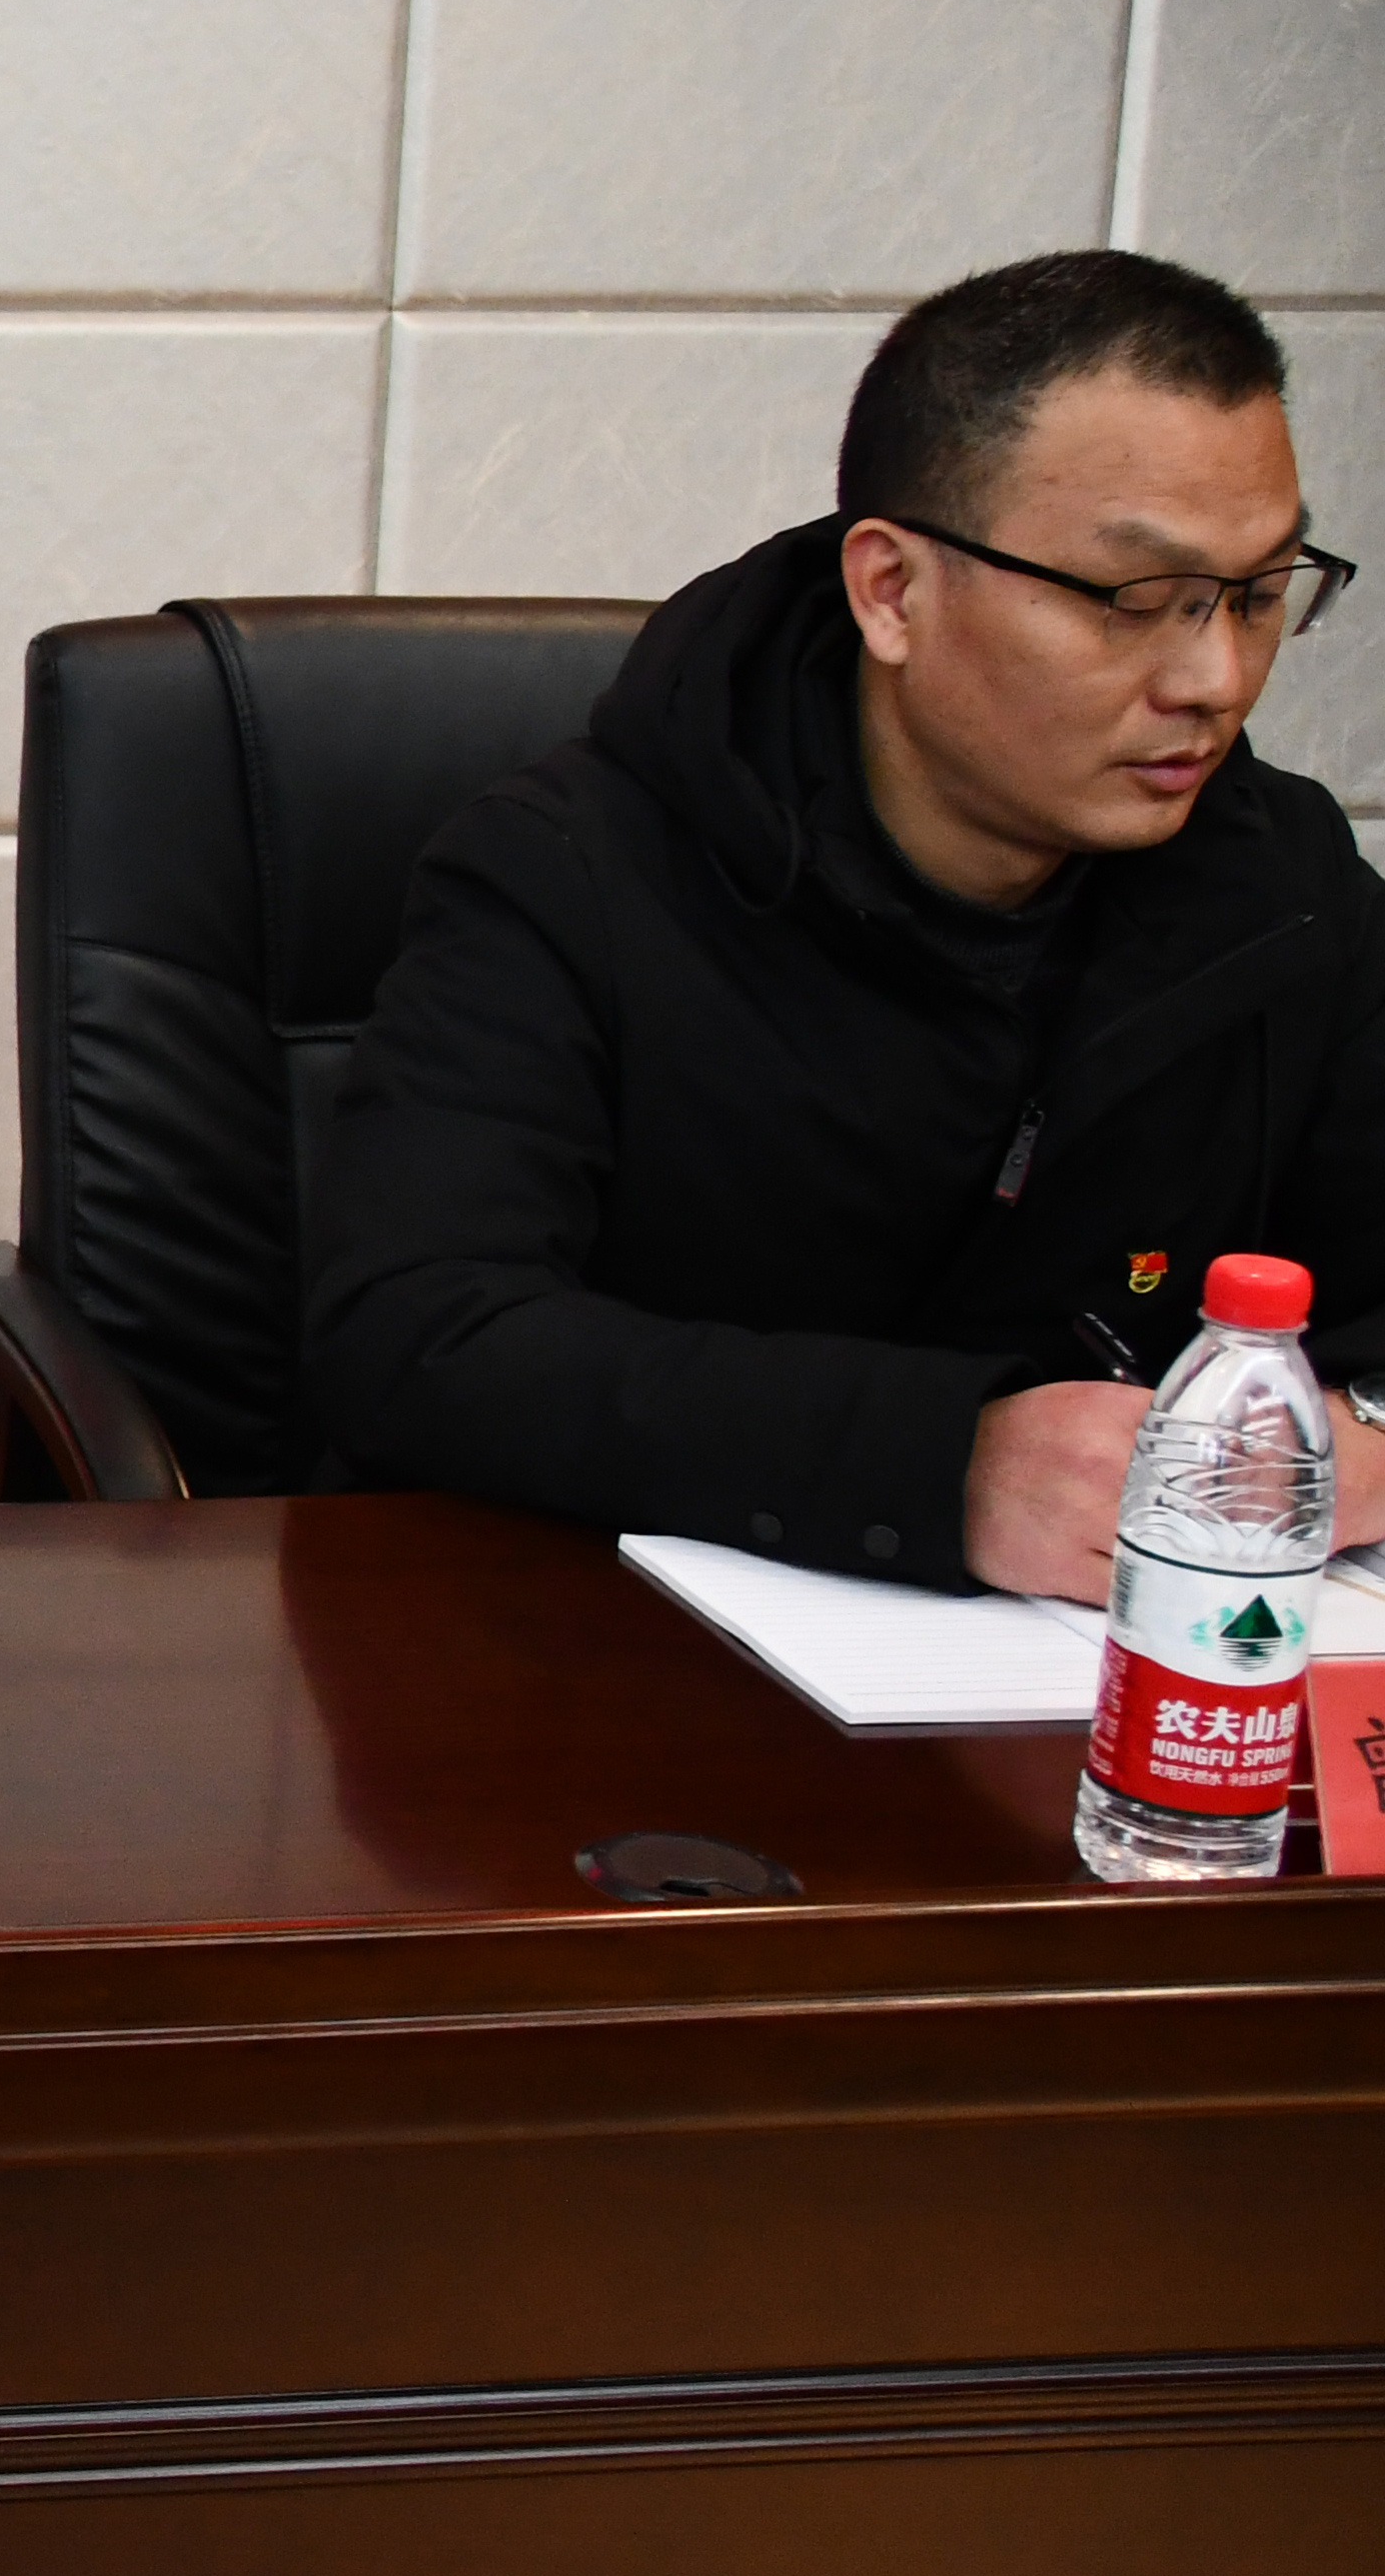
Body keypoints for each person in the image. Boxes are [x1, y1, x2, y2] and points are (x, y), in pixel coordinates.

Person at [309, 250, 1385, 1600]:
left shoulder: (1277, 883)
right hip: (600, 1644)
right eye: (1133, 602)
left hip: (1107, 1662)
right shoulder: (571, 870)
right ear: (892, 591)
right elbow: (416, 1335)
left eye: (1259, 595)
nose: (1213, 679)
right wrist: (946, 1466)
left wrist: (1360, 1433)